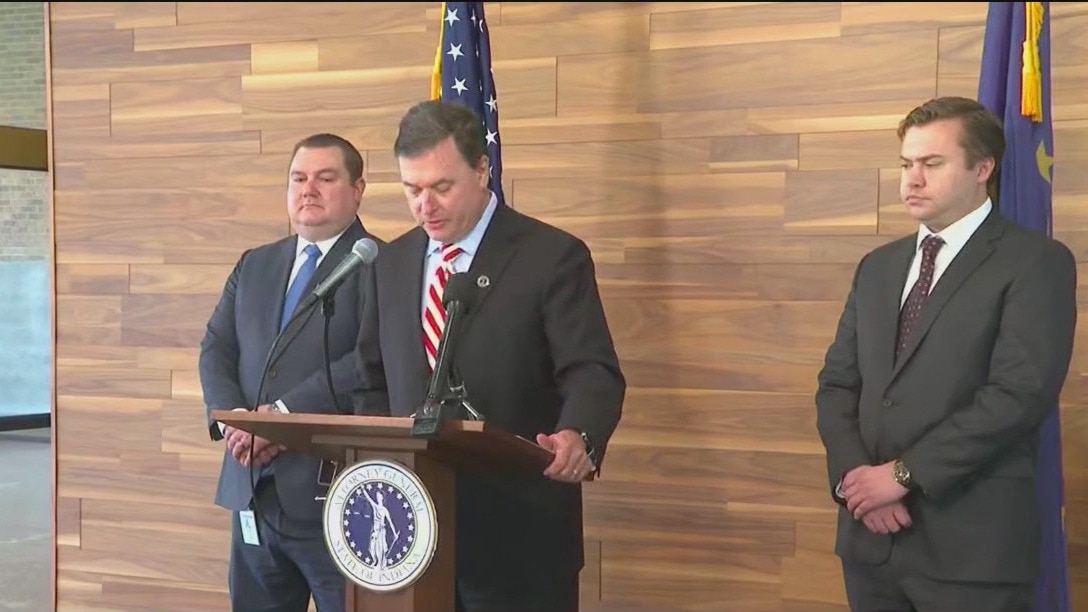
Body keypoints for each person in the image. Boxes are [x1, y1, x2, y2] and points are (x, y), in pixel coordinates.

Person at [354, 99, 626, 612]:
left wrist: (578, 434)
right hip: (410, 537)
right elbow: (369, 378)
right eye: (412, 189)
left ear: (482, 170)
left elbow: (591, 370)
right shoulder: (389, 263)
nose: (425, 205)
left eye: (441, 187)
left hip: (519, 536)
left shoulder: (551, 256)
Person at [815, 95, 1077, 611]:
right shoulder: (877, 267)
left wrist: (900, 477)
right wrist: (858, 484)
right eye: (906, 164)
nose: (911, 180)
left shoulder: (1035, 262)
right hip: (872, 542)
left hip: (972, 551)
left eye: (932, 164)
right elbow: (837, 385)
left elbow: (1018, 395)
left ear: (983, 168)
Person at [199, 133, 382, 612]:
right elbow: (217, 347)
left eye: (325, 178)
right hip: (251, 487)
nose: (308, 190)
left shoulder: (384, 267)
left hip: (335, 498)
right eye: (298, 178)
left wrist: (282, 418)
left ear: (358, 189)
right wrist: (237, 419)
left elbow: (370, 362)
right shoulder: (255, 264)